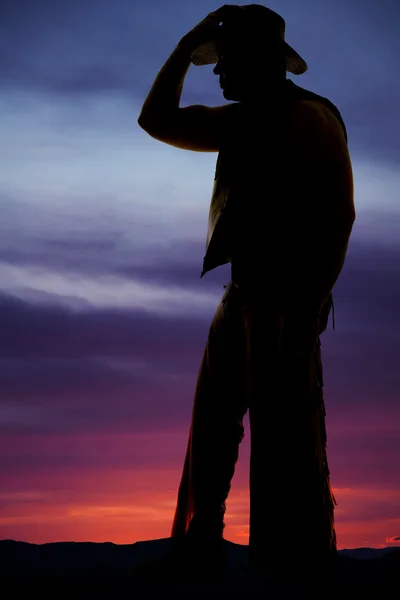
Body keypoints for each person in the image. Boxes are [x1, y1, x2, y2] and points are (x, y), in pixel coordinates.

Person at [137, 3, 355, 584]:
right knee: (210, 429)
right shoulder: (242, 121)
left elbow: (339, 215)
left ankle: (293, 565)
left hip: (285, 300)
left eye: (224, 60)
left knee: (287, 442)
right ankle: (201, 540)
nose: (217, 73)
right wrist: (188, 45)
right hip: (242, 296)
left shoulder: (308, 117)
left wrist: (305, 306)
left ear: (259, 61)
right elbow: (155, 119)